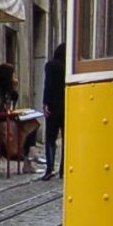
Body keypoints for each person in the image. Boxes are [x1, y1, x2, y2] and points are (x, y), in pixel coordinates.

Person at [41, 42, 66, 180]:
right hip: (67, 107)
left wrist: (45, 103)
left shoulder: (50, 65)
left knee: (50, 138)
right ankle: (63, 169)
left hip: (53, 107)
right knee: (66, 139)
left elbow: (48, 85)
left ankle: (49, 169)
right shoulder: (68, 67)